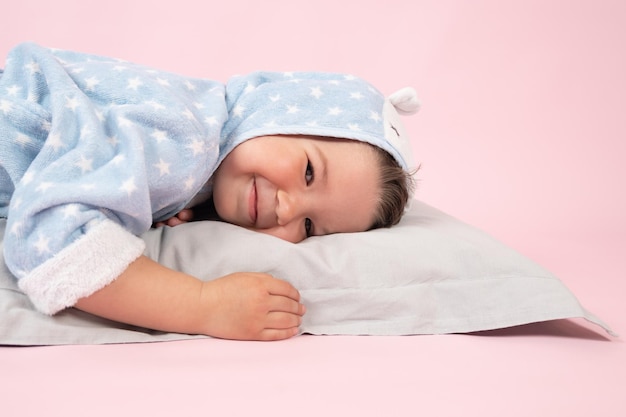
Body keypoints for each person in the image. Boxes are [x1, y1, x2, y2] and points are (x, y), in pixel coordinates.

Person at [0, 43, 419, 340]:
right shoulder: (185, 138)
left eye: (310, 226)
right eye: (309, 172)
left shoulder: (206, 144)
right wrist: (204, 305)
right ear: (275, 108)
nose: (287, 208)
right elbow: (51, 242)